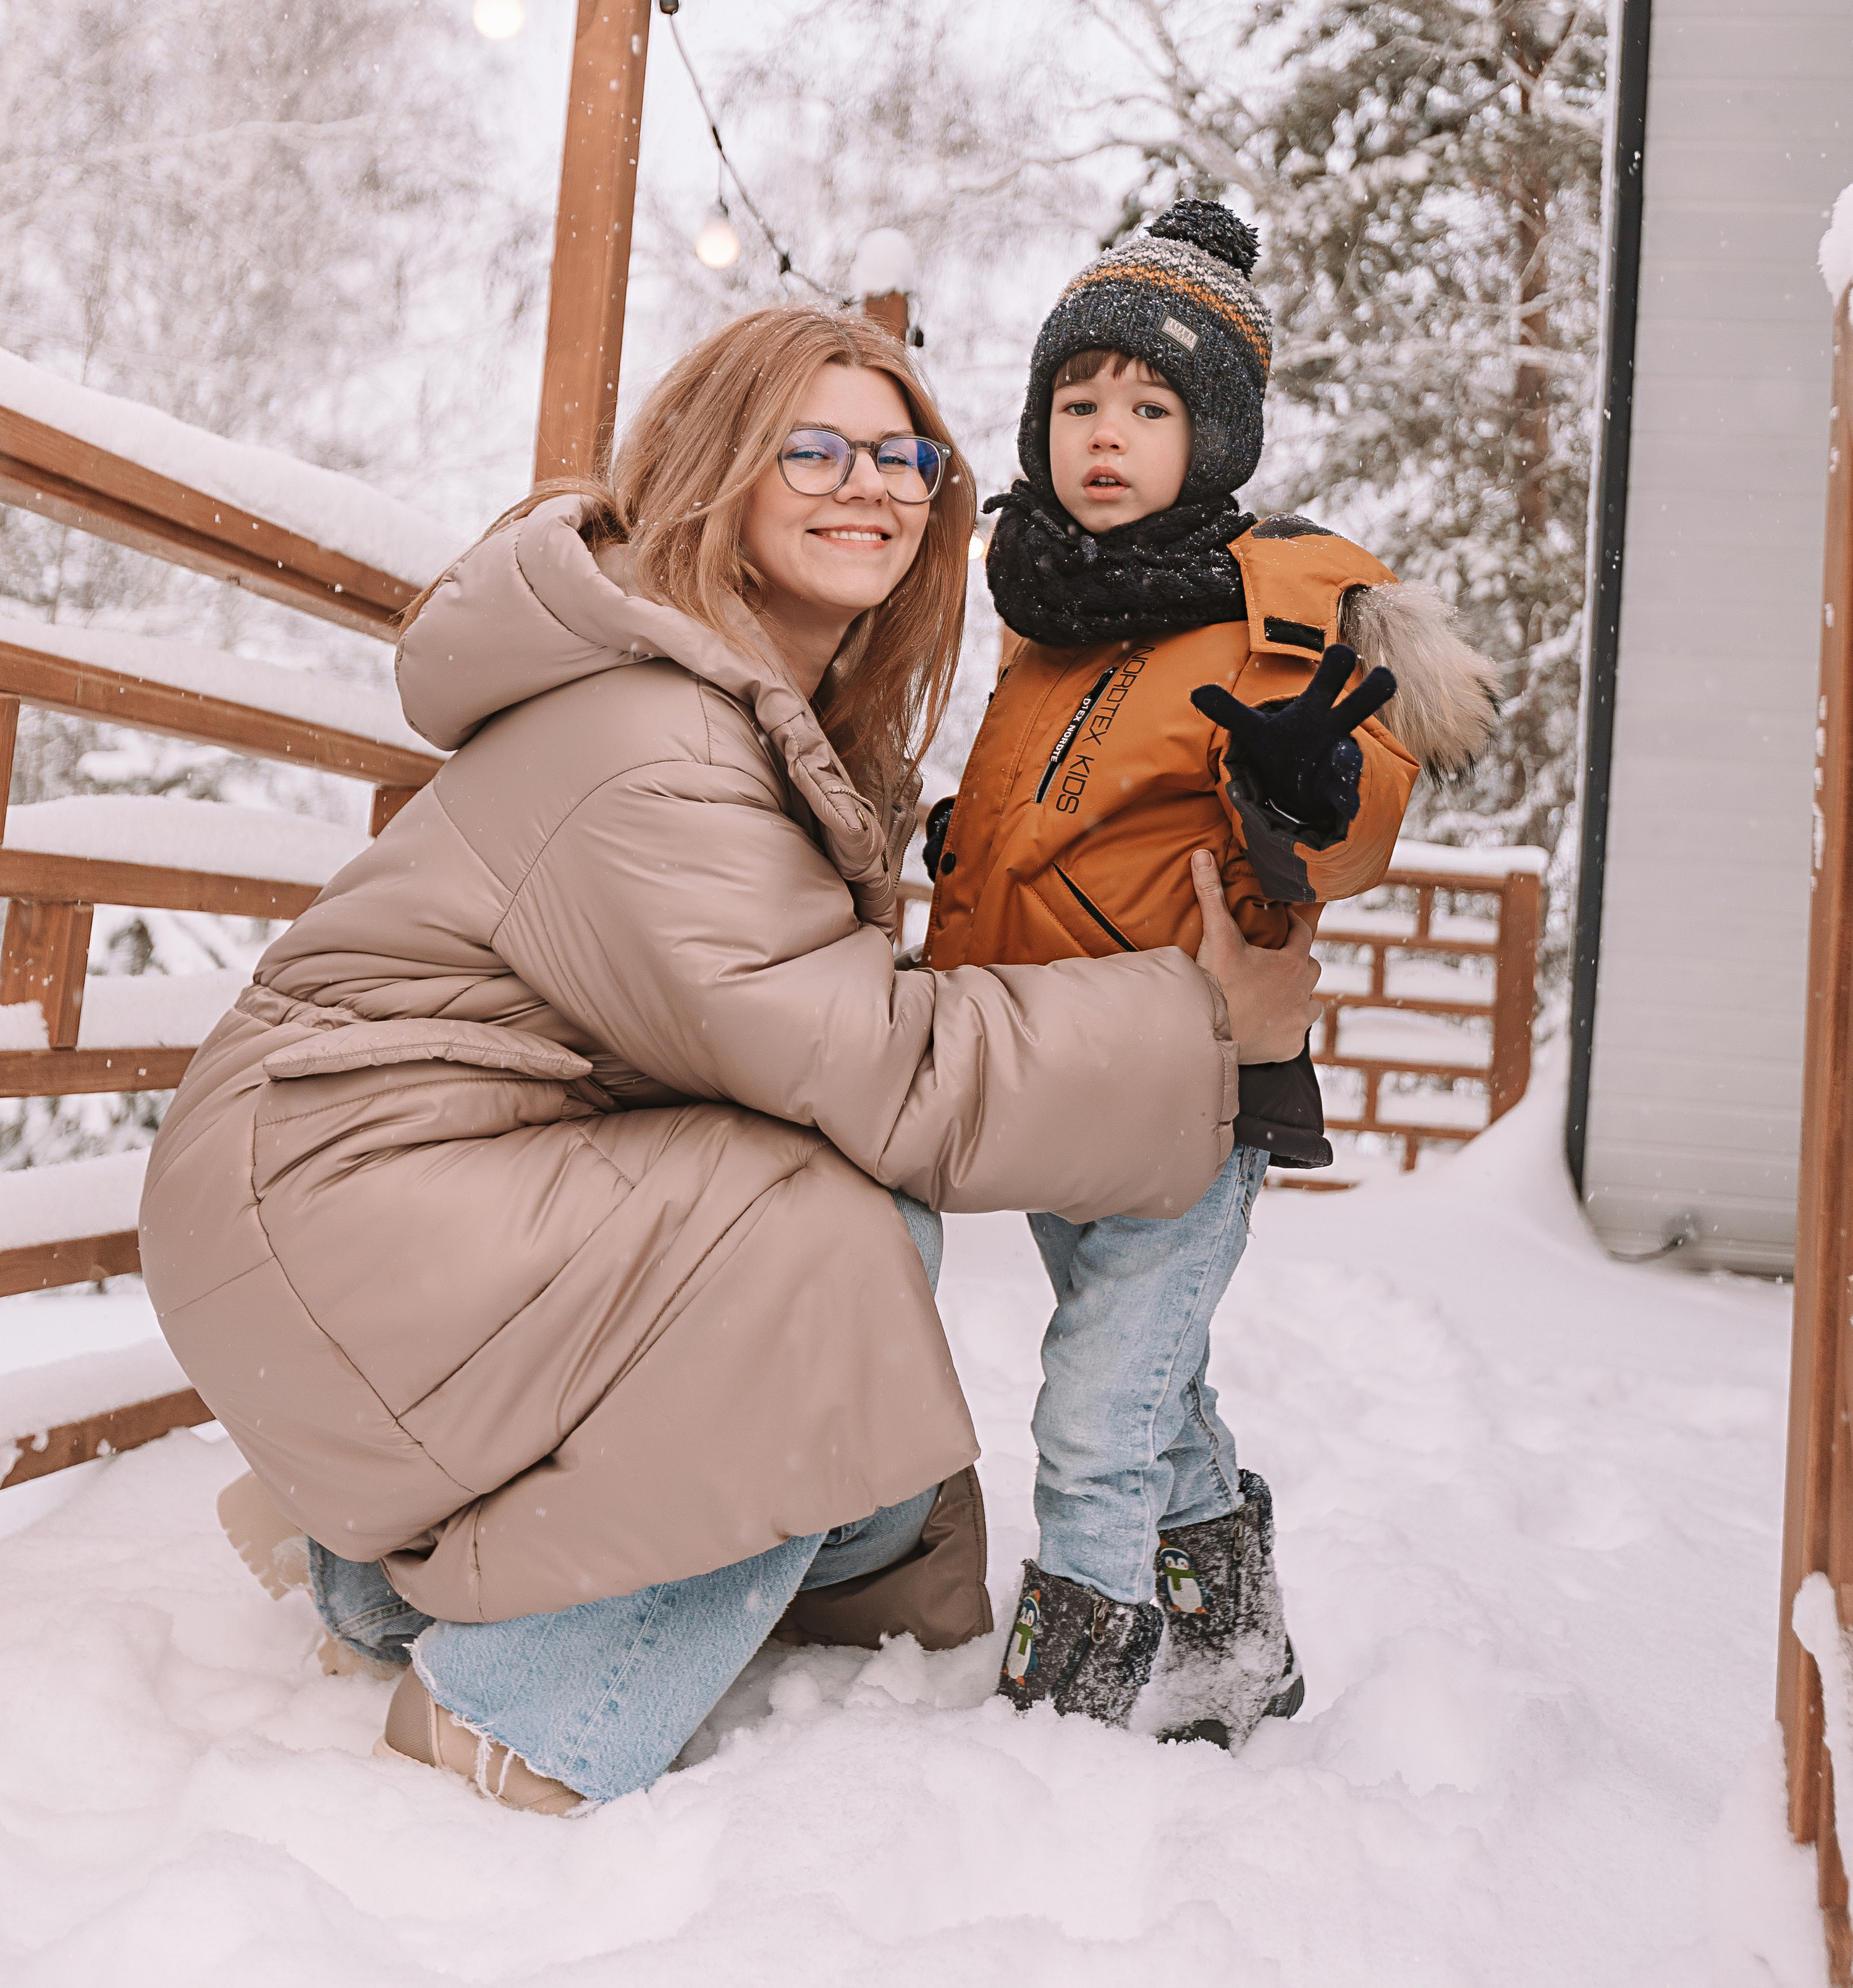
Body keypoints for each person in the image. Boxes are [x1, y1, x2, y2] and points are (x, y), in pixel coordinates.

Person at [140, 300, 1324, 1813]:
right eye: (812, 447)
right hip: (345, 1201)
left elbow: (802, 1019)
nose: (871, 484)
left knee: (847, 1357)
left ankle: (374, 1583)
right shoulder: (659, 736)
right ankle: (528, 1711)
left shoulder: (726, 698)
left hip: (375, 1198)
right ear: (720, 473)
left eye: (905, 454)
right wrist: (1209, 1026)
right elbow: (882, 1067)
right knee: (831, 1247)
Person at [923, 202, 1499, 1748]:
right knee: (1150, 1384)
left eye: (1149, 407)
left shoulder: (1268, 604)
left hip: (1187, 1082)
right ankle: (1235, 1641)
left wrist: (1310, 788)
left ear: (1216, 436)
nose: (1104, 436)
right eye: (1077, 403)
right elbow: (1048, 811)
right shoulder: (1043, 612)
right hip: (1053, 1073)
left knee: (1095, 1406)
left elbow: (1351, 794)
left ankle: (1070, 1710)